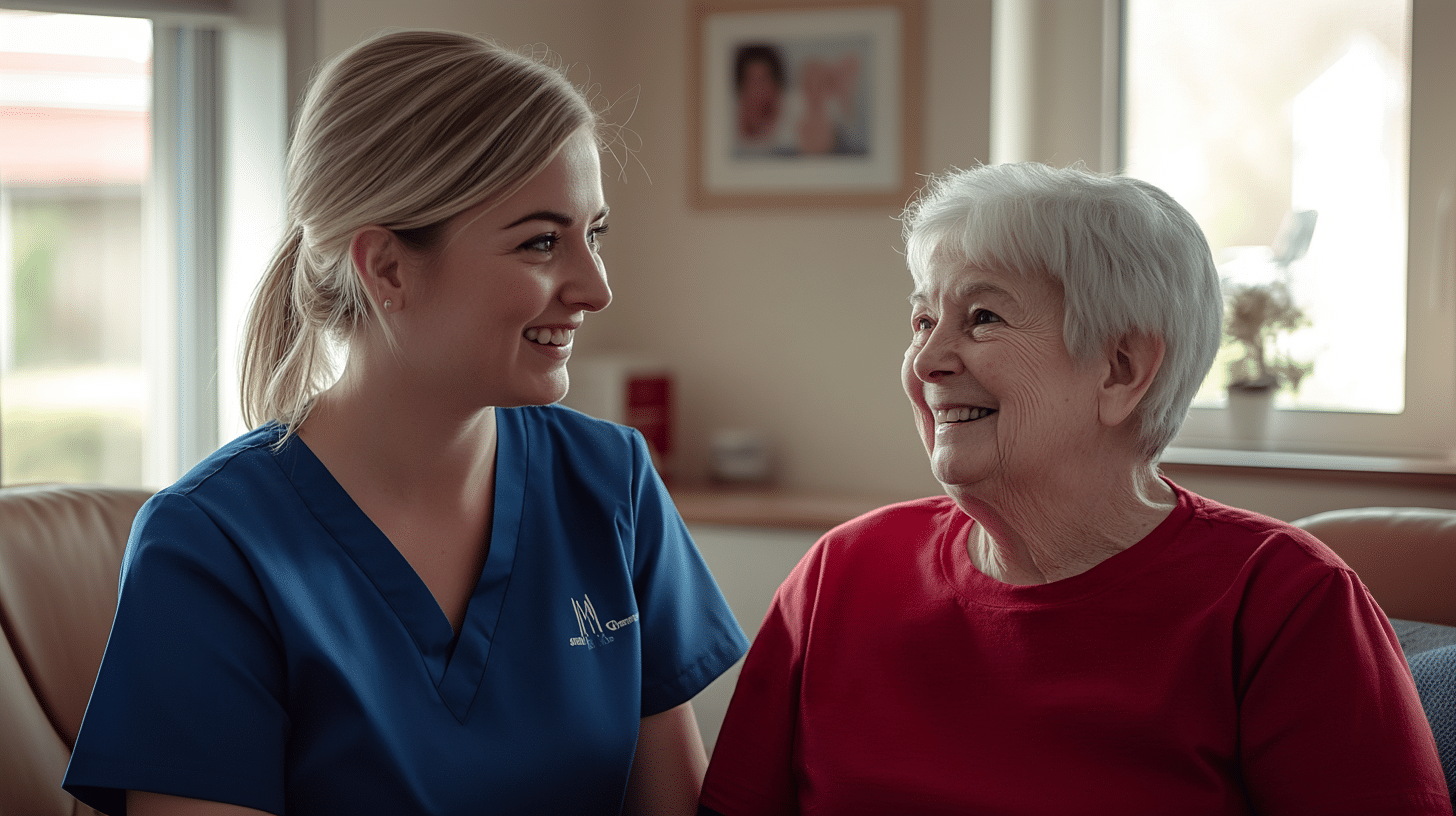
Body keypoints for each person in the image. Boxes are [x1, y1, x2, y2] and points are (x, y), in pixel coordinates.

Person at [61, 29, 748, 816]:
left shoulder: (611, 483)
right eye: (541, 242)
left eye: (594, 234)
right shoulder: (210, 549)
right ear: (386, 267)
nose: (595, 288)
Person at [698, 162, 1451, 815]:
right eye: (923, 319)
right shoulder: (840, 577)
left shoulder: (1290, 606)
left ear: (1122, 369)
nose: (927, 360)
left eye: (982, 317)